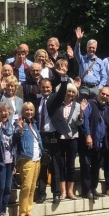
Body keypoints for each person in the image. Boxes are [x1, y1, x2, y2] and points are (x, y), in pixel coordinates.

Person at [34, 73, 69, 203]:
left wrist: (64, 79)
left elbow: (62, 92)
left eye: (48, 87)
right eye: (43, 87)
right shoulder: (36, 101)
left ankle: (56, 193)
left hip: (53, 136)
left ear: (51, 88)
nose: (45, 89)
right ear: (40, 87)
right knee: (42, 165)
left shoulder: (55, 98)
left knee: (54, 165)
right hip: (40, 136)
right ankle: (41, 194)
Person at [15, 101, 43, 216]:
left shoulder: (34, 124)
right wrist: (20, 130)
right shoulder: (20, 123)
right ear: (23, 111)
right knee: (26, 186)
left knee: (32, 186)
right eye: (27, 110)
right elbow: (15, 137)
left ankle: (28, 210)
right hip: (27, 159)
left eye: (31, 110)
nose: (29, 112)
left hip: (37, 158)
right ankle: (22, 212)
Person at [55, 82, 82, 200]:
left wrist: (81, 114)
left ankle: (70, 191)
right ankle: (63, 192)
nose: (70, 94)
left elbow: (79, 123)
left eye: (73, 92)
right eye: (68, 91)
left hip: (72, 137)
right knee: (61, 164)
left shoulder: (77, 106)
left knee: (71, 165)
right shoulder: (58, 105)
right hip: (60, 138)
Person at [73, 27, 107, 100]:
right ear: (86, 48)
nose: (91, 49)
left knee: (94, 109)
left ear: (96, 49)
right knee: (82, 108)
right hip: (84, 88)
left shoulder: (100, 61)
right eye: (90, 47)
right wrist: (78, 40)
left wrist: (100, 87)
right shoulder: (81, 59)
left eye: (93, 48)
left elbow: (104, 76)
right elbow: (76, 53)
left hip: (95, 88)